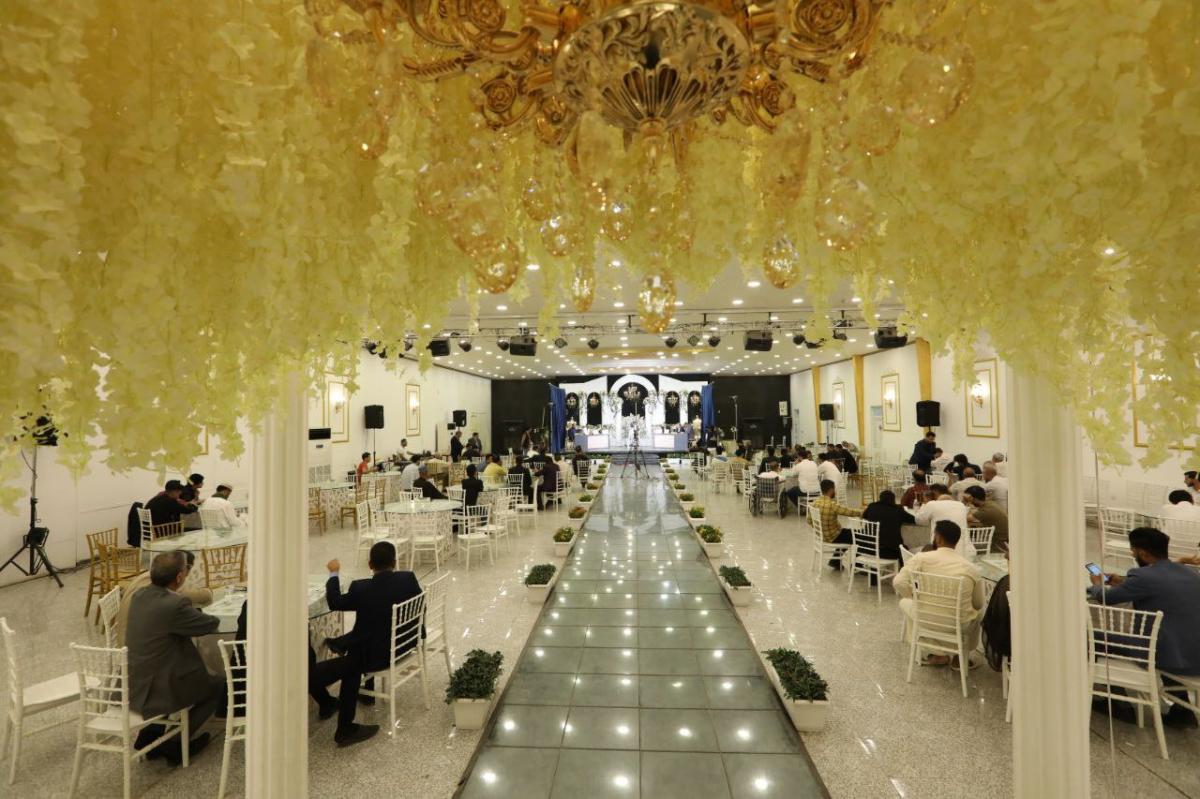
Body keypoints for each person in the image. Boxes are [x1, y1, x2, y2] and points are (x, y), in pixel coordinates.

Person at [309, 544, 423, 746]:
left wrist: (333, 573)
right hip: (405, 644)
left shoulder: (362, 589)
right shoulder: (409, 579)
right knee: (357, 654)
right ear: (395, 562)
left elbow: (335, 602)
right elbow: (421, 609)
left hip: (378, 655)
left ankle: (310, 683)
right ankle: (345, 723)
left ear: (370, 565)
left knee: (348, 665)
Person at [126, 551, 222, 763]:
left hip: (133, 681)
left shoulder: (139, 596)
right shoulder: (175, 604)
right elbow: (209, 624)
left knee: (170, 672)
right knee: (218, 686)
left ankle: (149, 735)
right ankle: (175, 743)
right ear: (179, 577)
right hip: (161, 686)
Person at [1088, 528, 1200, 682]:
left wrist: (1096, 584)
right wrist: (1124, 583)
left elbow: (1104, 597)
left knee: (1088, 636)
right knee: (1171, 636)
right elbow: (1162, 585)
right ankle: (1177, 697)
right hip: (1194, 657)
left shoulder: (1141, 575)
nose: (1132, 555)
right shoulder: (1192, 573)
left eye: (1133, 551)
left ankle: (1110, 693)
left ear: (1142, 553)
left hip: (1166, 659)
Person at [893, 520, 985, 667]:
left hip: (924, 619)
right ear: (956, 541)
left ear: (938, 538)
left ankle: (937, 653)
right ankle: (960, 657)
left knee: (905, 603)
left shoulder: (921, 558)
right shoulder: (970, 568)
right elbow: (978, 603)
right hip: (957, 624)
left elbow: (898, 582)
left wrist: (914, 596)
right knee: (978, 613)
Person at [116, 550, 213, 647]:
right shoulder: (168, 584)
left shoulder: (147, 577)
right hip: (136, 646)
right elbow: (203, 600)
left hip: (126, 639)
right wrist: (209, 591)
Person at [810, 479, 862, 570]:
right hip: (833, 537)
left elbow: (809, 521)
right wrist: (863, 512)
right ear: (831, 490)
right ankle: (857, 565)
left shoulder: (814, 503)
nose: (835, 491)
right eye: (834, 489)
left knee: (846, 534)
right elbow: (849, 512)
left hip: (821, 536)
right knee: (861, 536)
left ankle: (835, 562)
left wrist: (822, 529)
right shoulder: (831, 505)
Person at [912, 484, 973, 559]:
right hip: (966, 552)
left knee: (912, 550)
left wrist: (924, 504)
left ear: (934, 493)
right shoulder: (961, 505)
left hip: (941, 553)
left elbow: (919, 521)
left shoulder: (932, 504)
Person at [862, 490, 912, 562]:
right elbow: (913, 520)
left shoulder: (872, 506)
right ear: (893, 500)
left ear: (880, 498)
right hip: (890, 552)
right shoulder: (898, 510)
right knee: (905, 549)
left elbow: (864, 516)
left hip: (869, 549)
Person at [963, 485, 1009, 552]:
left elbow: (965, 518)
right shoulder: (990, 504)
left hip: (997, 545)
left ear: (973, 498)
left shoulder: (986, 511)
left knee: (967, 548)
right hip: (1004, 540)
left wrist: (965, 502)